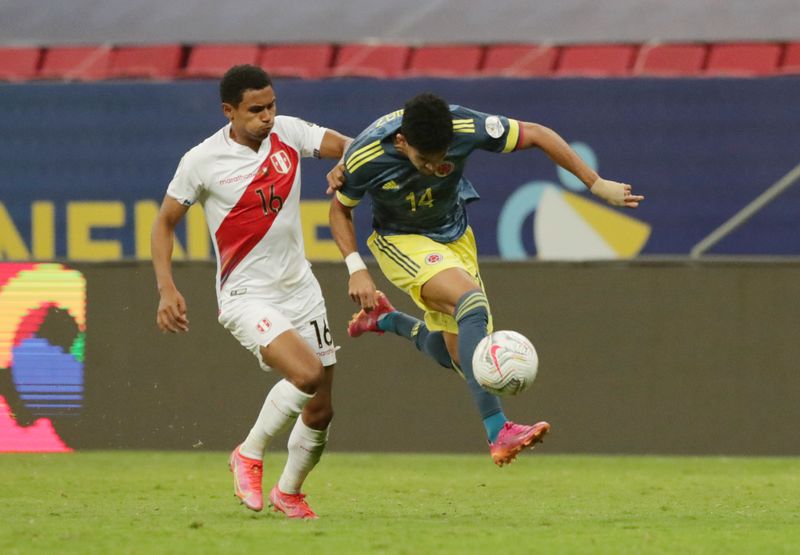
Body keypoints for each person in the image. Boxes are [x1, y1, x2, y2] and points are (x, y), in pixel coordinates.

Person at [328, 93, 644, 466]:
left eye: (440, 159)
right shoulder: (365, 157)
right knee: (471, 303)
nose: (432, 168)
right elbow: (339, 210)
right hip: (401, 239)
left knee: (460, 355)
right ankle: (499, 430)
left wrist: (595, 183)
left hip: (455, 235)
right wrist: (356, 268)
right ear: (401, 142)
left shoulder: (465, 126)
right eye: (423, 161)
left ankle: (387, 319)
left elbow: (537, 134)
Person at [152, 65, 350, 519]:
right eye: (255, 110)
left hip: (301, 289)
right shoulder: (201, 161)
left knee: (320, 411)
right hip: (246, 295)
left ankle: (289, 492)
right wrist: (166, 288)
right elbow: (164, 223)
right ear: (229, 111)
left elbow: (351, 145)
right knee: (306, 375)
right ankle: (249, 452)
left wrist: (345, 162)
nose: (267, 117)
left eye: (271, 106)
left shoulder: (289, 133)